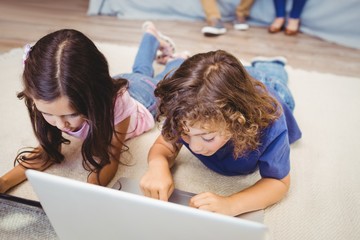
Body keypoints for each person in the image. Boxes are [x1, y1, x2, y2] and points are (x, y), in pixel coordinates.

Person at [0, 22, 189, 193]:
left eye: (71, 114)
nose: (60, 125)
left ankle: (178, 59)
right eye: (47, 114)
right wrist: (4, 182)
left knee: (161, 81)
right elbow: (46, 152)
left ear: (94, 98)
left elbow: (110, 156)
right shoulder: (47, 96)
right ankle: (151, 37)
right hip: (116, 83)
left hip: (143, 98)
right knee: (139, 70)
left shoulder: (116, 105)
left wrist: (88, 192)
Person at [140, 51, 302, 216]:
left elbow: (279, 182)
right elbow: (163, 145)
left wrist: (231, 204)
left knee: (272, 78)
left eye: (207, 137)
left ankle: (271, 64)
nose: (195, 147)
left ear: (237, 122)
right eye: (185, 134)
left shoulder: (270, 123)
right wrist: (157, 166)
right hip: (232, 85)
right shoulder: (186, 110)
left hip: (272, 88)